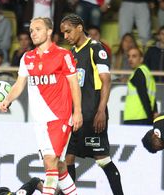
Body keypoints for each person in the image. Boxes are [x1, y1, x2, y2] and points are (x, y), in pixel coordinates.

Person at [0, 17, 82, 195]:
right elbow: (19, 85)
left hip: (59, 116)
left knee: (50, 162)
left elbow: (74, 84)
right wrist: (7, 99)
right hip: (39, 121)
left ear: (49, 31)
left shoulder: (63, 55)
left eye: (37, 29)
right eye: (31, 30)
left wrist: (78, 112)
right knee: (59, 166)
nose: (33, 33)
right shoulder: (27, 58)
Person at [61, 14, 124, 195]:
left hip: (92, 114)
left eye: (68, 31)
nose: (66, 36)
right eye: (63, 33)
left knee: (102, 158)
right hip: (76, 117)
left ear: (80, 27)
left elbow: (106, 81)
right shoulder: (72, 53)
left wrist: (101, 111)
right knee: (68, 159)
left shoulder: (96, 48)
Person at [124, 47, 156, 125]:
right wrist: (154, 112)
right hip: (143, 117)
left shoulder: (138, 72)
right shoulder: (147, 73)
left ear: (141, 59)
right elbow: (152, 98)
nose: (130, 59)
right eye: (129, 56)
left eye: (134, 56)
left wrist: (150, 118)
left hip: (135, 118)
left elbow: (144, 96)